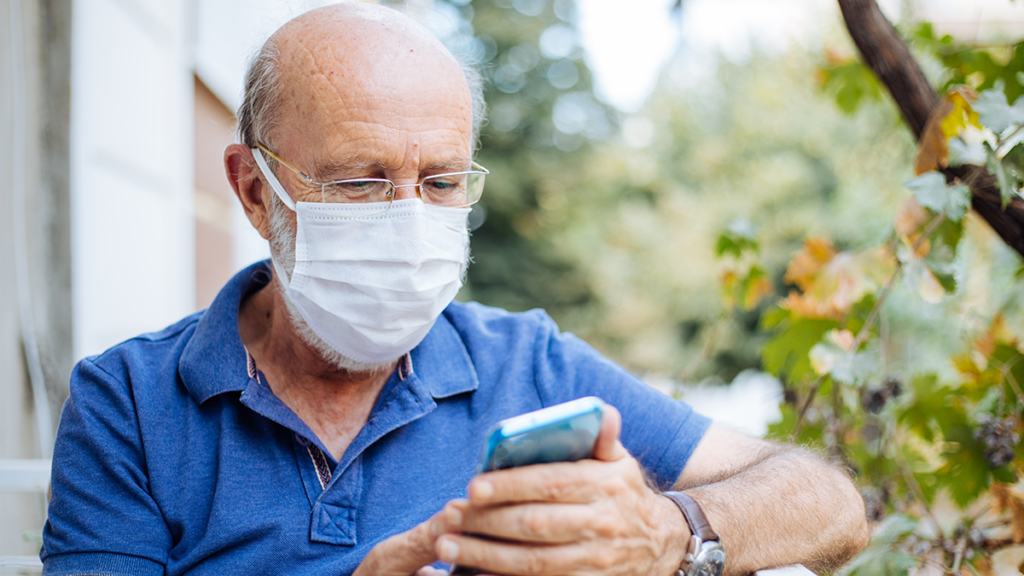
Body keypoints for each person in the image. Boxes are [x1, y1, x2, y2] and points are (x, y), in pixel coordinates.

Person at [40, 4, 869, 576]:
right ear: (255, 191)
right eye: (361, 182)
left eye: (439, 183)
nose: (407, 222)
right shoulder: (130, 405)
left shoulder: (529, 365)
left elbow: (831, 505)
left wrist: (673, 534)